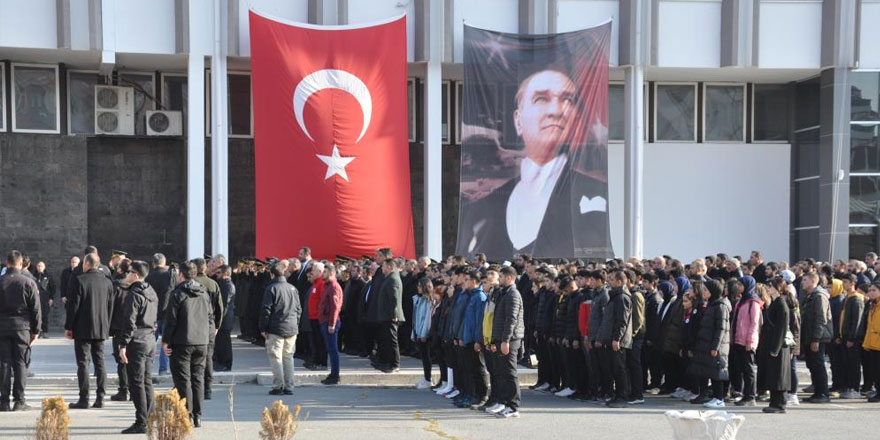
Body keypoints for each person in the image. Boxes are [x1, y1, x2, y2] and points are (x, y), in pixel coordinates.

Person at [455, 68, 613, 260]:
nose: (556, 111)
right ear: (518, 120)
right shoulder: (482, 208)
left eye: (567, 100)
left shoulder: (595, 192)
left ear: (576, 120)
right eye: (541, 99)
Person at [162, 262, 210, 427]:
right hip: (201, 341)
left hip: (182, 341)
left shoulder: (178, 293)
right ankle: (198, 415)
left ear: (181, 274)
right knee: (197, 379)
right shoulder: (204, 292)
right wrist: (208, 338)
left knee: (183, 380)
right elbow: (211, 318)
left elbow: (171, 320)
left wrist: (166, 341)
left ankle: (186, 414)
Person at [65, 252, 115, 409]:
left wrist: (69, 327)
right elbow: (110, 306)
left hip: (82, 328)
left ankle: (84, 398)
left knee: (83, 363)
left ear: (86, 264)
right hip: (100, 327)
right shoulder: (107, 282)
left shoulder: (79, 280)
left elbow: (73, 307)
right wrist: (108, 325)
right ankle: (101, 398)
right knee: (100, 363)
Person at [117, 261, 158, 434]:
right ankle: (150, 417)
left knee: (136, 382)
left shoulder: (135, 294)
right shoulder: (151, 291)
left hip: (138, 340)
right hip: (149, 337)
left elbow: (129, 321)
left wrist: (123, 344)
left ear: (135, 275)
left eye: (129, 272)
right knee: (146, 381)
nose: (126, 275)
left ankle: (141, 421)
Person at [0, 250, 41, 411]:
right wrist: (36, 330)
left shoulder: (1, 281)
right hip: (22, 327)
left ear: (7, 263)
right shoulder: (28, 282)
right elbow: (36, 309)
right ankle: (19, 400)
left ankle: (3, 401)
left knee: (3, 363)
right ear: (21, 264)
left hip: (2, 326)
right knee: (20, 364)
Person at [487, 265, 524, 418]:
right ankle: (503, 402)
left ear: (509, 277)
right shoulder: (504, 293)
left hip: (510, 339)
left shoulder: (513, 294)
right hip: (500, 338)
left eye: (501, 277)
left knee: (510, 373)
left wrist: (505, 340)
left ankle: (513, 406)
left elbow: (511, 320)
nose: (499, 279)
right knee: (501, 372)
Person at [260, 261, 302, 395]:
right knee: (288, 357)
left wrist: (263, 328)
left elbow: (266, 310)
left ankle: (278, 385)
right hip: (291, 327)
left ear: (272, 274)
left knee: (276, 357)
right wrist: (295, 323)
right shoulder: (292, 288)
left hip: (276, 328)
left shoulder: (271, 288)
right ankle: (289, 386)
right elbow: (298, 309)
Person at [687, 280, 730, 409]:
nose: (704, 292)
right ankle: (714, 397)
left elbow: (721, 329)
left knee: (717, 373)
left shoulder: (721, 306)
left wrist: (715, 347)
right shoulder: (712, 305)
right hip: (706, 343)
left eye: (706, 290)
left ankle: (719, 398)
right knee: (710, 371)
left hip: (716, 346)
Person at [599, 270, 633, 408]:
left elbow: (622, 321)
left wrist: (616, 338)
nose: (609, 282)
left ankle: (622, 396)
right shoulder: (614, 296)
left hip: (618, 340)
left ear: (620, 281)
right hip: (610, 338)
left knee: (619, 369)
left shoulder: (622, 297)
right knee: (612, 368)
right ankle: (615, 395)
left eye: (612, 279)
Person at [757, 280, 791, 414]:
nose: (768, 288)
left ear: (777, 288)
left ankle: (780, 403)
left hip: (778, 345)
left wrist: (776, 348)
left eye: (770, 286)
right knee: (773, 375)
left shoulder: (782, 304)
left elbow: (782, 329)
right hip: (770, 342)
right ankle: (774, 401)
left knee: (779, 375)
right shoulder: (774, 302)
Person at [800, 272, 833, 403]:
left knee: (818, 365)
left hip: (817, 337)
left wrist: (816, 339)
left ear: (813, 281)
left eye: (805, 280)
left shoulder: (819, 296)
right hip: (809, 336)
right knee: (812, 365)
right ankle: (817, 392)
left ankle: (823, 394)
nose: (802, 282)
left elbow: (821, 319)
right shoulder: (810, 296)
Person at [193, 258, 223, 400]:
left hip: (193, 324)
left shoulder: (190, 283)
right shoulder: (213, 284)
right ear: (205, 268)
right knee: (208, 357)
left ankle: (194, 387)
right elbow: (219, 308)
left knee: (193, 357)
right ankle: (207, 388)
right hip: (209, 325)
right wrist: (217, 325)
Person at [730, 276, 762, 406]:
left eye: (740, 284)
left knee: (749, 370)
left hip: (747, 341)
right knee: (741, 368)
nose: (738, 286)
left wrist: (750, 341)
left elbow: (755, 324)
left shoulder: (753, 302)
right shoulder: (741, 301)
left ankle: (750, 396)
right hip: (738, 339)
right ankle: (744, 394)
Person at [145, 253, 174, 375]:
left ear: (153, 264)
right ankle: (163, 368)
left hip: (152, 314)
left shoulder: (149, 277)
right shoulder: (171, 276)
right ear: (164, 262)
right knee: (166, 341)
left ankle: (147, 366)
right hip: (167, 312)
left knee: (151, 341)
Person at [837, 273, 865, 399]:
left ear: (853, 283)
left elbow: (857, 321)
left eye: (846, 282)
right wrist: (839, 335)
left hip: (852, 339)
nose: (843, 284)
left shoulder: (857, 299)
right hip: (844, 337)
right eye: (843, 282)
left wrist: (852, 338)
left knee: (853, 364)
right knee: (845, 363)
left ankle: (855, 388)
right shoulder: (846, 298)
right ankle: (847, 387)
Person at [109, 259, 132, 402]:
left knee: (121, 360)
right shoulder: (137, 285)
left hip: (118, 326)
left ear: (120, 270)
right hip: (133, 326)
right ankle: (132, 389)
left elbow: (110, 306)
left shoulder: (116, 285)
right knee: (131, 359)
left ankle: (124, 390)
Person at [376, 259, 404, 373]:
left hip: (391, 316)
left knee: (392, 340)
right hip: (385, 315)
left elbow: (394, 299)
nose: (382, 268)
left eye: (383, 266)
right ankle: (387, 362)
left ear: (389, 267)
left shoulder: (393, 279)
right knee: (387, 340)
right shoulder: (388, 278)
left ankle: (395, 364)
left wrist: (394, 314)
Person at [318, 263, 343, 385]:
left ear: (332, 273)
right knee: (330, 348)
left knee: (333, 349)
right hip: (325, 320)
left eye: (326, 272)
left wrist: (332, 324)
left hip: (330, 321)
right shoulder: (327, 286)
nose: (323, 274)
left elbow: (335, 307)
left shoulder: (333, 286)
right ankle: (333, 373)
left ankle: (335, 375)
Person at [412, 277, 435, 389]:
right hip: (418, 331)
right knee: (424, 356)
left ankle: (428, 379)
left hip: (424, 334)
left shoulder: (428, 301)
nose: (418, 288)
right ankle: (426, 377)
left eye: (420, 286)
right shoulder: (418, 299)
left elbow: (427, 319)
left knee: (427, 357)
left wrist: (423, 334)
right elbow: (415, 318)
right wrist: (414, 333)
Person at [214, 265, 236, 371]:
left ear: (225, 273)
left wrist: (219, 319)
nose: (216, 275)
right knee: (220, 342)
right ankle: (220, 362)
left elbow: (224, 305)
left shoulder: (227, 285)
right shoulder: (223, 284)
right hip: (223, 319)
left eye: (219, 273)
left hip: (225, 319)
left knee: (225, 343)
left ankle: (226, 364)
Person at [862, 282, 880, 403]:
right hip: (872, 342)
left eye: (874, 290)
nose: (870, 292)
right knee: (875, 370)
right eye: (870, 290)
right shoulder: (871, 304)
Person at [32, 261, 55, 337]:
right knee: (36, 315)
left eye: (41, 266)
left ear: (44, 267)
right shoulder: (33, 276)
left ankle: (45, 332)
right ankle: (37, 332)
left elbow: (52, 288)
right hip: (35, 299)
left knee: (44, 315)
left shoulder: (48, 276)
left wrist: (51, 298)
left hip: (45, 299)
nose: (40, 267)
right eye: (38, 266)